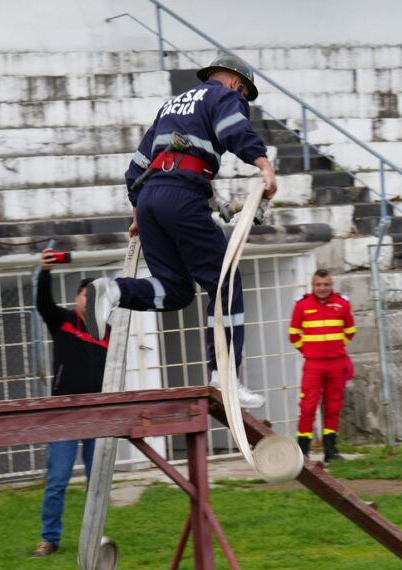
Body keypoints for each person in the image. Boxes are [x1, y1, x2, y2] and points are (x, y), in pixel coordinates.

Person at [84, 54, 275, 409]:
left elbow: (138, 163)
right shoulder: (224, 96)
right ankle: (225, 376)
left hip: (150, 199)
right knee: (225, 281)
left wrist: (139, 210)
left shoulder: (170, 105)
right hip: (183, 194)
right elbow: (234, 131)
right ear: (238, 84)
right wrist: (264, 165)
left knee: (175, 291)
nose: (242, 99)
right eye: (245, 94)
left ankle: (110, 290)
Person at [31, 249, 108, 558]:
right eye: (85, 295)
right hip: (63, 416)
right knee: (58, 481)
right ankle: (50, 538)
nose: (89, 300)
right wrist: (45, 272)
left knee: (97, 483)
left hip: (95, 417)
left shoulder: (107, 332)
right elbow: (42, 304)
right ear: (77, 298)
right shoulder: (62, 321)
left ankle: (94, 536)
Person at [289, 269, 356, 462]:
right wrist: (309, 351)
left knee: (333, 407)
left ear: (331, 285)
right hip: (313, 365)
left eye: (326, 284)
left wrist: (335, 348)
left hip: (336, 364)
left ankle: (331, 450)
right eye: (318, 285)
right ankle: (303, 452)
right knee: (308, 408)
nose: (322, 288)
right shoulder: (302, 305)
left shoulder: (342, 303)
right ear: (312, 286)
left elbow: (350, 331)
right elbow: (294, 335)